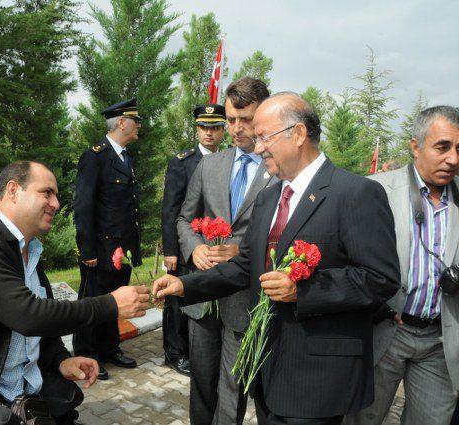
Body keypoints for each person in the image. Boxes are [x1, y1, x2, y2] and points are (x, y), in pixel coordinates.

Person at [153, 92, 401, 425]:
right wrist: (184, 285)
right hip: (268, 368)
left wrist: (304, 290)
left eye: (263, 138)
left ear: (297, 135)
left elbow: (379, 278)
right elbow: (244, 267)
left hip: (317, 377)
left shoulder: (355, 193)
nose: (257, 148)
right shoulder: (270, 197)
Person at [0, 161, 150, 425]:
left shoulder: (29, 249)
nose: (56, 204)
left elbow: (44, 317)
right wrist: (110, 305)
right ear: (13, 190)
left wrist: (60, 360)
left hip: (7, 381)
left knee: (66, 402)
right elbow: (29, 315)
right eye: (46, 192)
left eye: (56, 195)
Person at [345, 106, 459, 425]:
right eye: (442, 147)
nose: (453, 158)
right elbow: (348, 259)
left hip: (440, 340)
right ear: (415, 146)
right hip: (384, 331)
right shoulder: (374, 189)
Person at [176, 78, 275, 425]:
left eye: (244, 119)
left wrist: (244, 251)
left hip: (245, 297)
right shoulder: (211, 165)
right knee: (201, 385)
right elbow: (185, 219)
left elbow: (285, 236)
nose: (235, 128)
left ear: (262, 114)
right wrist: (196, 249)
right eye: (230, 119)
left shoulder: (277, 169)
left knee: (234, 388)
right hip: (204, 296)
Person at [72, 98, 143, 380]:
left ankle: (109, 347)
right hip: (100, 247)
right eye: (135, 120)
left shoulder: (125, 157)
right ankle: (88, 354)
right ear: (122, 122)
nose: (139, 126)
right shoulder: (95, 157)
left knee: (115, 300)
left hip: (121, 248)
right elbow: (84, 206)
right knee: (93, 302)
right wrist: (86, 248)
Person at [161, 103, 228, 377]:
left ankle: (198, 349)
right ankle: (175, 353)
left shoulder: (227, 161)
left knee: (203, 299)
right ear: (197, 129)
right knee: (178, 300)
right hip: (187, 243)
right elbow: (171, 209)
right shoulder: (182, 162)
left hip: (215, 246)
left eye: (214, 127)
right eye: (203, 127)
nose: (208, 133)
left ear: (223, 131)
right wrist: (170, 250)